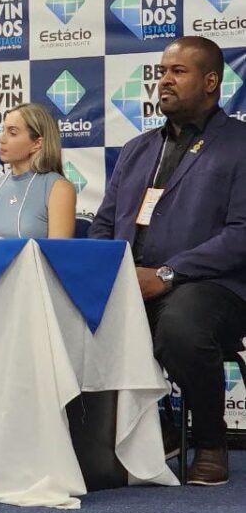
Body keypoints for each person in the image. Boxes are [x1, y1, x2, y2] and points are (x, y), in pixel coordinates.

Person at [90, 36, 246, 486]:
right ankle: (140, 434)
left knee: (180, 327)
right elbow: (104, 224)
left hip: (212, 285)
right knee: (69, 314)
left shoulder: (239, 143)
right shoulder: (137, 149)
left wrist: (166, 274)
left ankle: (210, 441)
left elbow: (241, 234)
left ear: (211, 81)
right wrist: (106, 272)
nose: (164, 81)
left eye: (178, 71)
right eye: (162, 72)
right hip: (131, 281)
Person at [0, 104, 76, 239]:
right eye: (2, 130)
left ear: (37, 144)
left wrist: (8, 248)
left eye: (12, 133)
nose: (1, 139)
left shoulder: (58, 188)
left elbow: (59, 250)